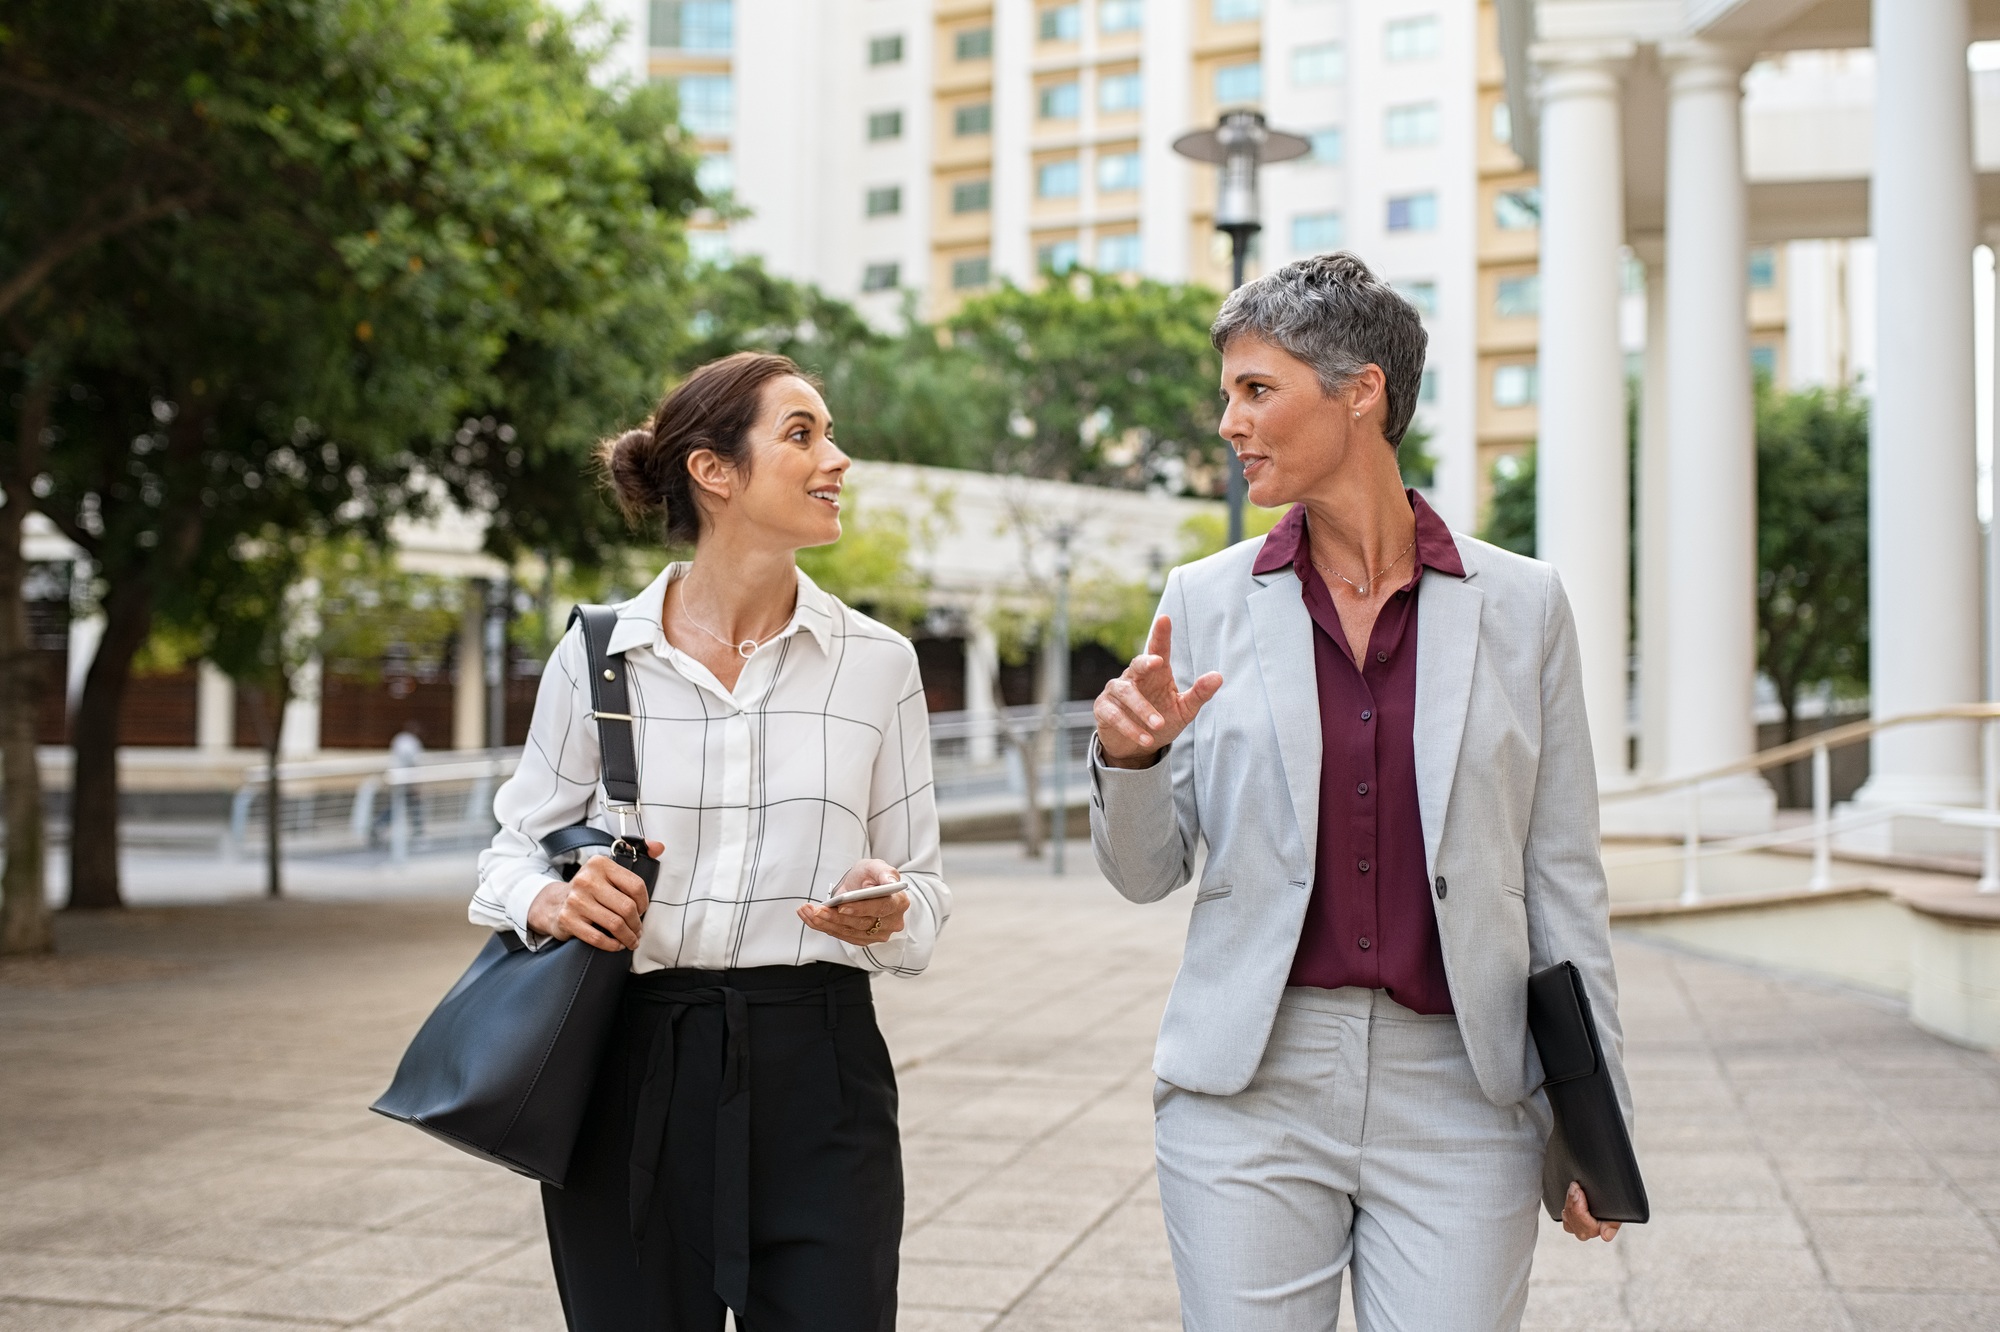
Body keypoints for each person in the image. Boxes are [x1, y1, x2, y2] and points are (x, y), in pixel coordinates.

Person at [1087, 253, 1630, 1332]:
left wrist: (1590, 1117)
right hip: (1250, 1086)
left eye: (1256, 390)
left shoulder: (1522, 606)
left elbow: (1560, 877)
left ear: (1359, 391)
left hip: (1463, 1093)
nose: (1228, 422)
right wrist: (1134, 762)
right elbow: (1145, 875)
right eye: (1228, 393)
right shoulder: (1202, 601)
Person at [471, 351, 950, 1332]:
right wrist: (551, 900)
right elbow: (509, 850)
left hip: (821, 1072)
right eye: (803, 434)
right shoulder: (599, 654)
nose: (838, 460)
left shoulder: (877, 665)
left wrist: (891, 909)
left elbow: (926, 885)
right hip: (631, 1064)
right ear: (714, 472)